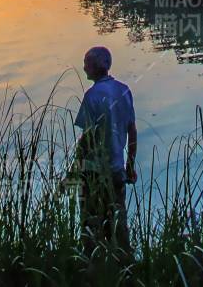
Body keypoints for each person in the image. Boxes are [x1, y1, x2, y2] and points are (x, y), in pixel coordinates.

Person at [73, 45, 137, 254]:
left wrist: (75, 168)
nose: (84, 68)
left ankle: (93, 266)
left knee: (91, 225)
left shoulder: (91, 96)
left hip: (93, 173)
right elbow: (132, 130)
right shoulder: (124, 90)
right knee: (118, 224)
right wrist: (130, 166)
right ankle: (124, 264)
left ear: (96, 66)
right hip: (117, 170)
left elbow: (87, 137)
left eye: (86, 63)